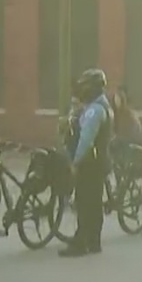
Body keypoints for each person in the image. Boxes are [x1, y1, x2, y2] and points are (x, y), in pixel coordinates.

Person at [59, 68, 113, 258]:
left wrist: (75, 162)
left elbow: (86, 140)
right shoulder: (102, 106)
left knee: (84, 202)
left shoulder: (94, 111)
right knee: (95, 202)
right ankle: (93, 241)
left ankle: (81, 242)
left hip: (90, 163)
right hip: (99, 161)